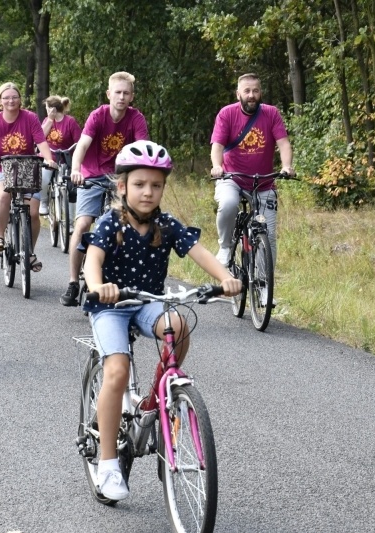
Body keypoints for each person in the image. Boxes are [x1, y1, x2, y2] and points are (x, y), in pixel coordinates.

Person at [83, 140, 241, 500]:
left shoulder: (166, 224)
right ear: (122, 186)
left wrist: (225, 278)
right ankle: (107, 463)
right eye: (139, 184)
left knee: (179, 326)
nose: (148, 192)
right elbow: (93, 259)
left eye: (156, 185)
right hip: (111, 305)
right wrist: (97, 286)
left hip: (148, 302)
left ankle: (155, 398)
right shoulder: (110, 223)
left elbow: (199, 252)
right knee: (117, 370)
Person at [60, 72, 149, 307]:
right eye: (117, 92)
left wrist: (141, 178)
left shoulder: (136, 118)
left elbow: (142, 150)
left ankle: (125, 278)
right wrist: (76, 170)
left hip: (120, 177)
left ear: (132, 96)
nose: (122, 97)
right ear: (109, 94)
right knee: (82, 224)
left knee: (127, 226)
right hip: (91, 175)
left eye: (126, 93)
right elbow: (83, 145)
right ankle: (73, 282)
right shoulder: (98, 116)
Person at [209, 72, 294, 268]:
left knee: (268, 235)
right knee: (228, 204)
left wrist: (286, 166)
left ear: (260, 93)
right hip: (232, 178)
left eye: (255, 91)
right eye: (246, 91)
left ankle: (263, 282)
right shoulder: (227, 114)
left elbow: (283, 144)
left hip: (264, 182)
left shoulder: (271, 113)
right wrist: (217, 166)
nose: (251, 95)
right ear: (238, 93)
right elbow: (217, 146)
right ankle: (225, 246)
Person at [0, 82, 55, 272]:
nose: (10, 101)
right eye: (6, 97)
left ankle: (29, 252)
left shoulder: (30, 118)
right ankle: (0, 238)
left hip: (26, 166)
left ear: (20, 99)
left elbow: (41, 142)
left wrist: (49, 159)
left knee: (33, 212)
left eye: (14, 97)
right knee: (4, 194)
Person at [40, 95, 82, 216]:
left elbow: (79, 141)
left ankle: (70, 218)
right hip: (50, 157)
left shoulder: (70, 121)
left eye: (47, 108)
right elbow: (40, 137)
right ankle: (43, 202)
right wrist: (50, 119)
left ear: (52, 108)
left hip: (66, 158)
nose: (46, 110)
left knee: (71, 188)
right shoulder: (47, 120)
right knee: (43, 178)